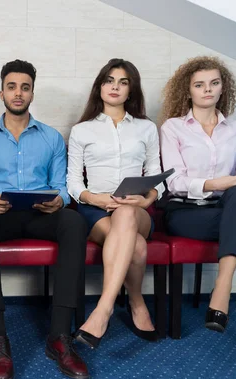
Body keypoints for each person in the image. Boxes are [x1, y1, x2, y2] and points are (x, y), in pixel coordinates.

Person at [0, 59, 89, 379]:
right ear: (2, 92)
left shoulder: (51, 138)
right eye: (12, 86)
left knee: (74, 223)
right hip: (1, 216)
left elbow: (61, 185)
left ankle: (59, 337)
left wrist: (59, 199)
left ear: (32, 92)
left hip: (40, 216)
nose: (18, 93)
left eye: (24, 87)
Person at [159, 56, 236, 366]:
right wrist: (217, 182)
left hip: (225, 210)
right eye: (199, 85)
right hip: (185, 213)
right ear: (188, 90)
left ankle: (224, 286)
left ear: (222, 87)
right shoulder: (173, 127)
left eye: (214, 83)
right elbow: (173, 182)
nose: (208, 90)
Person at [68, 59, 161, 349]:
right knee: (138, 246)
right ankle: (136, 302)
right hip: (95, 209)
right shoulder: (82, 130)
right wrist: (94, 198)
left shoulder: (147, 128)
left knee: (127, 213)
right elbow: (72, 182)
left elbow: (158, 179)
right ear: (100, 87)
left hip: (138, 208)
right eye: (109, 80)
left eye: (123, 82)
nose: (115, 87)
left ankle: (103, 309)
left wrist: (146, 198)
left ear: (131, 90)